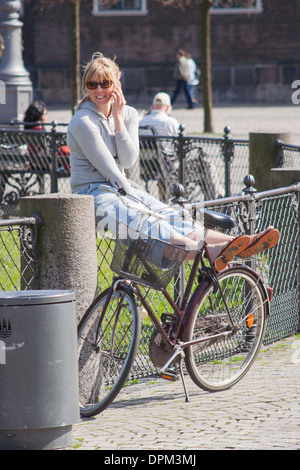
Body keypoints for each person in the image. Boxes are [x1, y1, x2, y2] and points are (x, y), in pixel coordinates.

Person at [67, 52, 279, 272]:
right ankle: (217, 250)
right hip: (93, 194)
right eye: (92, 84)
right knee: (148, 223)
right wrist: (143, 206)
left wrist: (118, 120)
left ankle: (238, 243)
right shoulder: (82, 121)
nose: (99, 90)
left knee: (173, 215)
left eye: (105, 83)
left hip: (120, 189)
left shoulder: (128, 114)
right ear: (86, 87)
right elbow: (112, 172)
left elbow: (128, 161)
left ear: (116, 84)